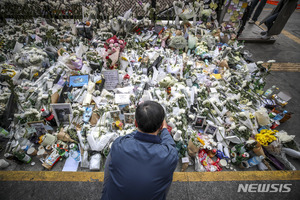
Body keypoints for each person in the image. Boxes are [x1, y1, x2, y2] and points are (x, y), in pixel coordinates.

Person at [101, 101, 179, 200]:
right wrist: (164, 129)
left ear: (135, 123)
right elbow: (170, 144)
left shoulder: (119, 144)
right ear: (160, 126)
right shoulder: (169, 155)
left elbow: (107, 177)